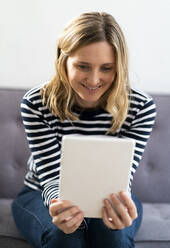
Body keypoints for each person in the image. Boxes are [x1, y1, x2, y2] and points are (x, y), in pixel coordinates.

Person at [12, 11, 156, 248]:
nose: (94, 79)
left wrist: (119, 209)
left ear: (119, 67)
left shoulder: (140, 107)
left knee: (115, 238)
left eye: (107, 68)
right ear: (63, 60)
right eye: (83, 66)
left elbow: (123, 177)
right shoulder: (37, 103)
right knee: (64, 238)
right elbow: (51, 177)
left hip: (110, 197)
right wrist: (58, 207)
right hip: (39, 193)